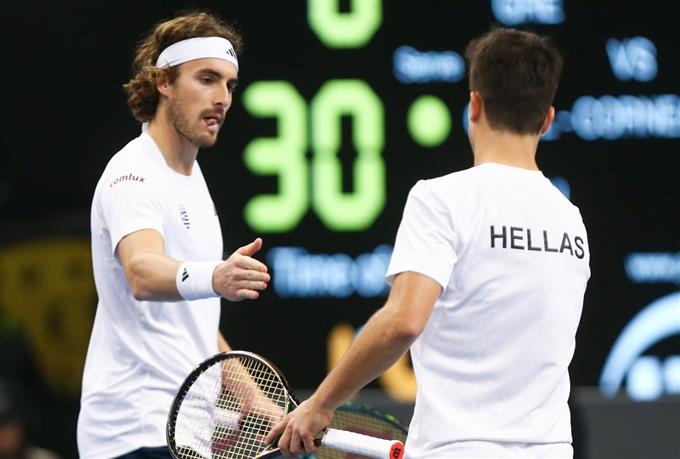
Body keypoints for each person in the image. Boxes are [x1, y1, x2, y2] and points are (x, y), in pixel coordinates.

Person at [267, 28, 590, 458]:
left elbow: (403, 321)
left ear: (474, 105)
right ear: (547, 119)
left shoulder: (441, 199)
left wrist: (320, 404)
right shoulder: (570, 220)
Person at [77, 11, 271, 459]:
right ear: (163, 81)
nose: (222, 98)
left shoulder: (192, 179)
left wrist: (249, 395)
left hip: (183, 432)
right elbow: (142, 272)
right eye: (206, 79)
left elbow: (192, 319)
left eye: (230, 84)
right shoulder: (133, 173)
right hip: (135, 430)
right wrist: (216, 277)